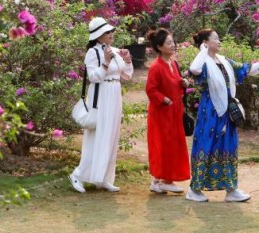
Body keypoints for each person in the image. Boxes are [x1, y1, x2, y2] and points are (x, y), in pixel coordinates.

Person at [186, 28, 259, 203]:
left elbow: (248, 69)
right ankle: (194, 190)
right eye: (216, 39)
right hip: (209, 111)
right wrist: (203, 51)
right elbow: (194, 69)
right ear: (205, 43)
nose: (219, 42)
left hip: (227, 110)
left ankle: (231, 189)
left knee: (229, 146)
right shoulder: (202, 62)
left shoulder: (224, 61)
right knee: (207, 145)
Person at [69, 17, 134, 193]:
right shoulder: (93, 53)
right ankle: (78, 174)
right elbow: (93, 78)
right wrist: (105, 62)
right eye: (107, 32)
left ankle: (104, 177)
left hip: (114, 94)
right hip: (101, 96)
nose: (111, 34)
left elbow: (126, 75)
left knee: (111, 135)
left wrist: (127, 60)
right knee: (97, 136)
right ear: (98, 35)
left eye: (111, 31)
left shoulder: (114, 50)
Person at [145, 28, 190, 194]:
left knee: (172, 145)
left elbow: (175, 83)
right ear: (160, 46)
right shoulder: (156, 67)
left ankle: (161, 180)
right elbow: (151, 89)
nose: (173, 45)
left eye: (173, 42)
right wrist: (163, 99)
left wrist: (183, 83)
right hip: (162, 112)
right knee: (161, 145)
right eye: (169, 43)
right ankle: (162, 179)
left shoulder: (173, 63)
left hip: (175, 111)